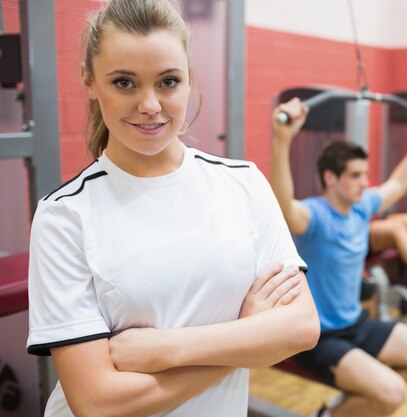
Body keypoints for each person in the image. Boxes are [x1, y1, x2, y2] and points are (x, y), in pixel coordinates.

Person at [26, 1, 319, 416]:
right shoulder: (63, 217)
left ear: (188, 81)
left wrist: (166, 349)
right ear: (89, 82)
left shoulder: (243, 182)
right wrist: (245, 338)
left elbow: (301, 327)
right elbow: (97, 404)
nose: (150, 104)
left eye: (167, 81)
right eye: (124, 83)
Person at [270, 99, 407, 417]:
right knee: (392, 393)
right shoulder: (314, 216)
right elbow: (284, 205)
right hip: (320, 338)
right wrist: (282, 140)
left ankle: (347, 407)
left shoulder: (361, 206)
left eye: (365, 175)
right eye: (355, 176)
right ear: (330, 178)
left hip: (357, 324)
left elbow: (400, 182)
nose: (365, 183)